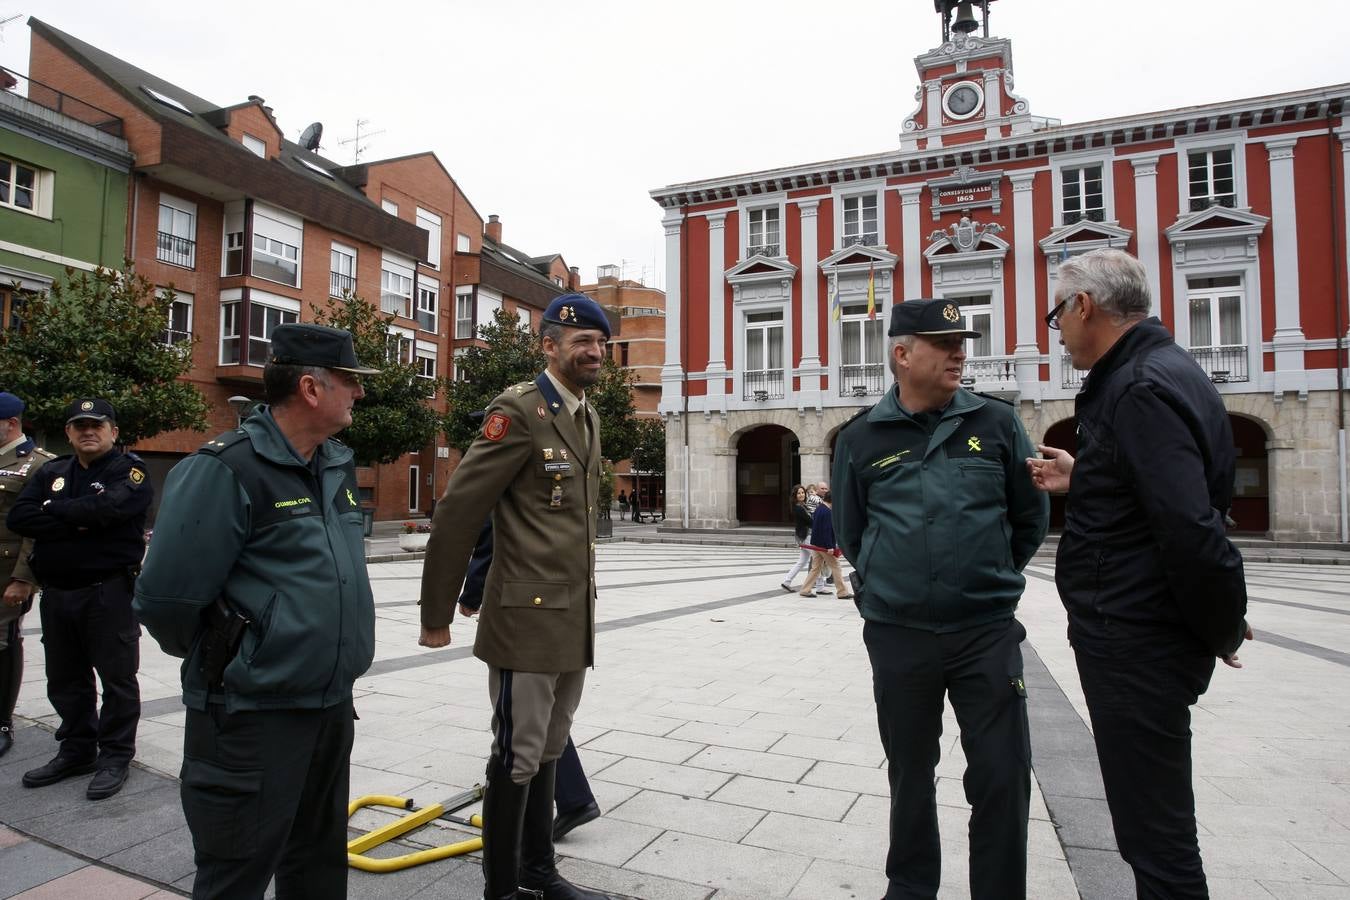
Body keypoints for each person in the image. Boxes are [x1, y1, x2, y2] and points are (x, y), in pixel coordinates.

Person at [1026, 248, 1249, 899]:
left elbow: (1190, 525)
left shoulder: (1138, 388)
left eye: (1055, 315)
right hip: (1144, 629)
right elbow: (1163, 492)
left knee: (1155, 837)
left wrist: (1223, 625)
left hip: (1135, 638)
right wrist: (1086, 476)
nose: (1057, 331)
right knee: (1154, 828)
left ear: (1083, 306)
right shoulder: (1166, 371)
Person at [133, 324, 377, 898]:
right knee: (236, 872)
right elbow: (165, 599)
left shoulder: (333, 465)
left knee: (316, 866)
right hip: (251, 714)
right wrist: (239, 653)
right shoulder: (227, 468)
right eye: (350, 381)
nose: (359, 394)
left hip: (327, 706)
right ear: (312, 389)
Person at [833, 298, 1048, 899]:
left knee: (1003, 775)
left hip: (985, 633)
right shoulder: (861, 437)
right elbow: (851, 531)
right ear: (902, 354)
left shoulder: (998, 424)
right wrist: (884, 588)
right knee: (909, 771)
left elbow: (1030, 518)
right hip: (899, 636)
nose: (959, 353)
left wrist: (989, 579)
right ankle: (910, 888)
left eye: (962, 342)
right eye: (943, 344)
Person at [419, 293, 617, 900]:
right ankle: (501, 889)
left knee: (552, 746)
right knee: (518, 752)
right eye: (582, 341)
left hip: (570, 618)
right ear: (549, 346)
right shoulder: (519, 410)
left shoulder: (586, 415)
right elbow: (458, 513)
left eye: (601, 343)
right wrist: (436, 614)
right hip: (525, 618)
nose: (595, 352)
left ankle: (539, 873)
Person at [8, 398, 152, 801]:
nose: (88, 431)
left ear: (114, 432)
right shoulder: (52, 471)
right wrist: (80, 519)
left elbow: (112, 508)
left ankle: (115, 756)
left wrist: (54, 513)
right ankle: (77, 750)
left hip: (107, 593)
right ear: (69, 432)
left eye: (97, 425)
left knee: (117, 681)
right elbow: (19, 518)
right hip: (57, 593)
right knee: (65, 679)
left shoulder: (131, 471)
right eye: (79, 426)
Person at [458, 516, 601, 843]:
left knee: (525, 719)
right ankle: (571, 800)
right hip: (554, 596)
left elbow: (492, 526)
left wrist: (471, 591)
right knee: (537, 715)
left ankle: (569, 801)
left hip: (526, 603)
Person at [0, 392, 55, 758]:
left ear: (12, 423)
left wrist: (24, 578)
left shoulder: (38, 465)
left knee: (3, 644)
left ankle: (2, 721)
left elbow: (37, 531)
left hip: (5, 574)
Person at [797, 488, 852, 600]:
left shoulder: (819, 509)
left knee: (815, 568)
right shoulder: (827, 512)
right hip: (824, 546)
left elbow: (817, 528)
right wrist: (830, 546)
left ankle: (805, 589)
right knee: (836, 566)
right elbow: (826, 530)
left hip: (816, 544)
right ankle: (842, 592)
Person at [780, 484, 813, 592]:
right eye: (799, 493)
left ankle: (787, 581)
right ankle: (819, 585)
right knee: (818, 558)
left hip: (803, 536)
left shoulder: (803, 506)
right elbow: (810, 522)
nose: (801, 494)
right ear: (795, 495)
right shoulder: (799, 508)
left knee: (802, 561)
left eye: (802, 492)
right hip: (805, 536)